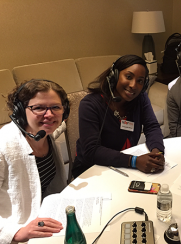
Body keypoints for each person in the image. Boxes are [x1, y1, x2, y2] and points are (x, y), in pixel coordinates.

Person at [72, 55, 165, 178]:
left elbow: (152, 126)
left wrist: (157, 152)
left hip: (124, 166)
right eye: (128, 77)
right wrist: (134, 161)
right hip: (92, 170)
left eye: (140, 81)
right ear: (114, 76)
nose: (133, 85)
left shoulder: (140, 98)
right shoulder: (90, 104)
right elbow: (91, 151)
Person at [0, 79, 70, 243]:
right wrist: (15, 233)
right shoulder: (4, 145)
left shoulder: (44, 133)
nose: (49, 114)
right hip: (17, 232)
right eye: (38, 108)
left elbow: (58, 124)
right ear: (20, 111)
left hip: (47, 218)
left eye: (55, 107)